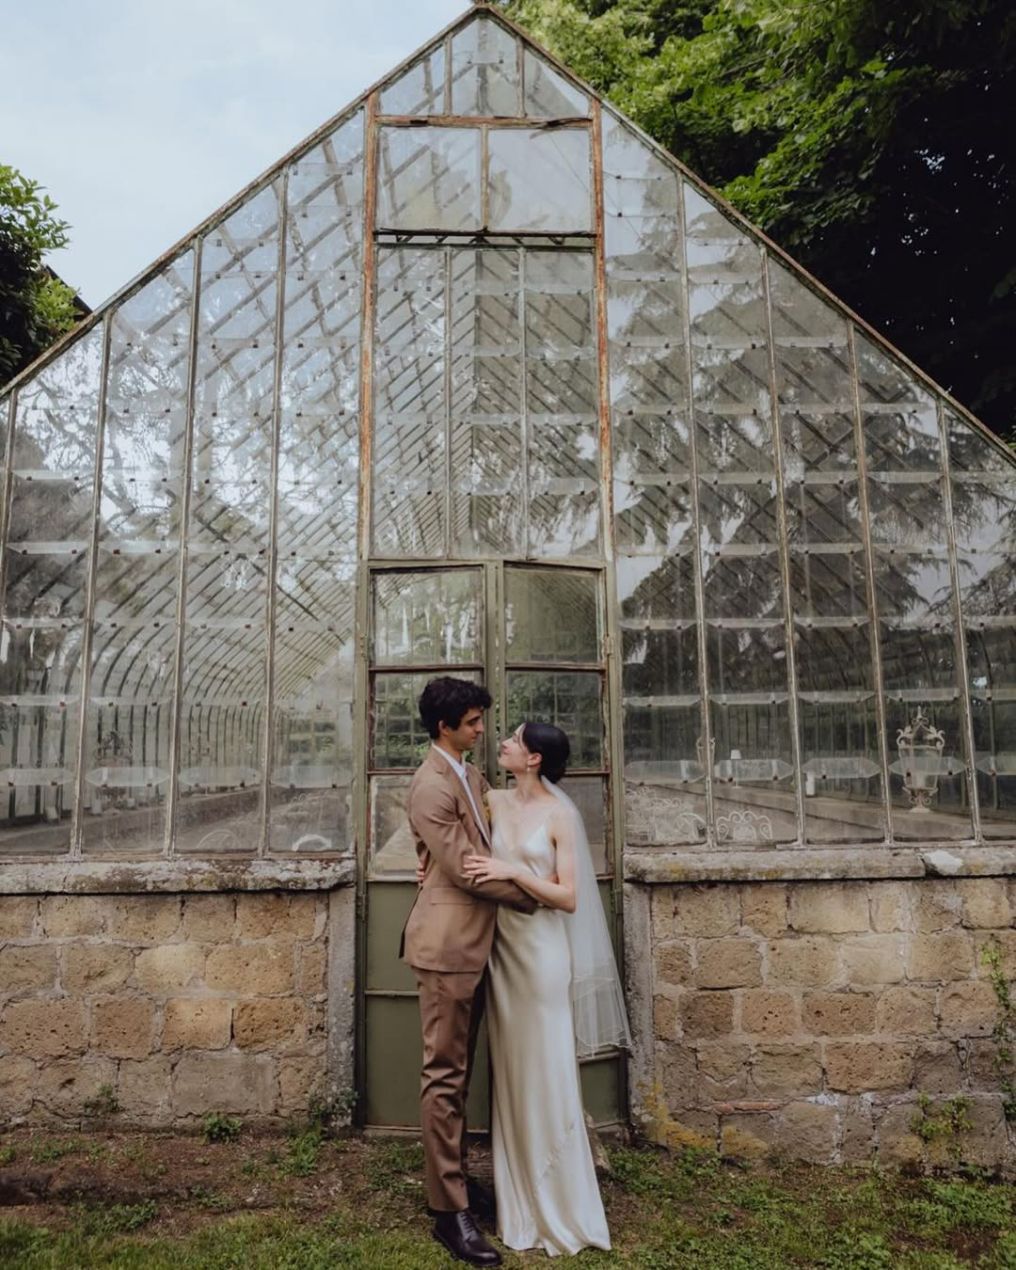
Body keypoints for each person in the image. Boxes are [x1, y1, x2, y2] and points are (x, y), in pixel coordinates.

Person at [462, 722, 631, 1257]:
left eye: (514, 740)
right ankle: (518, 1199)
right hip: (502, 953)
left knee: (545, 1071)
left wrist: (511, 870)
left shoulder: (559, 815)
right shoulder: (493, 801)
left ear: (533, 758)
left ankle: (560, 1199)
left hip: (541, 958)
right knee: (512, 1072)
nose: (503, 744)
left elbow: (568, 896)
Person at [402, 676, 537, 1268]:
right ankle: (447, 1211)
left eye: (482, 720)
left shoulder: (471, 775)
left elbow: (489, 839)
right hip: (447, 948)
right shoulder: (430, 785)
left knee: (460, 1073)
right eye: (474, 722)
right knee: (444, 1076)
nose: (483, 729)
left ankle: (454, 1181)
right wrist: (539, 895)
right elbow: (466, 868)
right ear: (445, 727)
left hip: (478, 945)